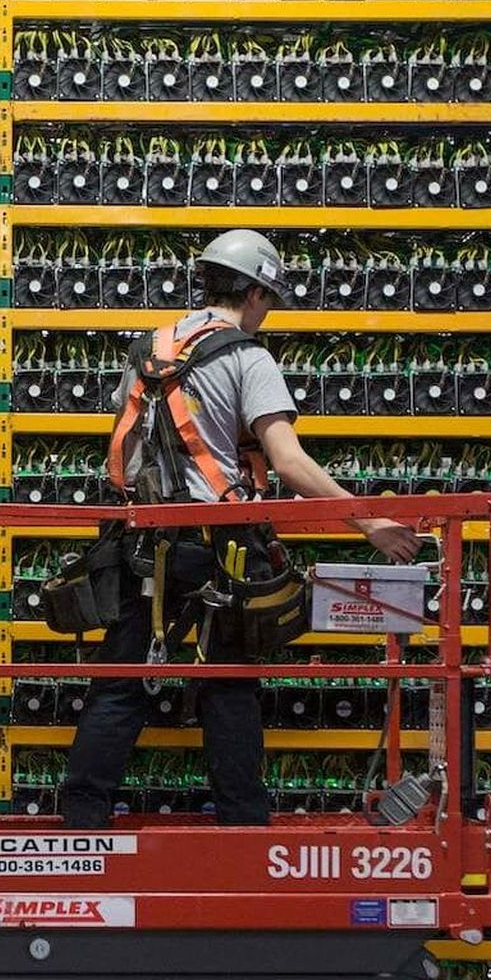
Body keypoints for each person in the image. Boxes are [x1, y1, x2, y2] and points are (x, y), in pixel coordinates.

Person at [58, 228, 422, 829]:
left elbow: (128, 446)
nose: (267, 311)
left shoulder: (151, 348)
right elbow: (289, 461)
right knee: (228, 687)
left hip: (143, 544)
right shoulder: (248, 358)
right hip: (216, 547)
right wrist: (372, 523)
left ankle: (82, 822)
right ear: (253, 291)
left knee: (120, 682)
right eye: (269, 298)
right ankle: (244, 826)